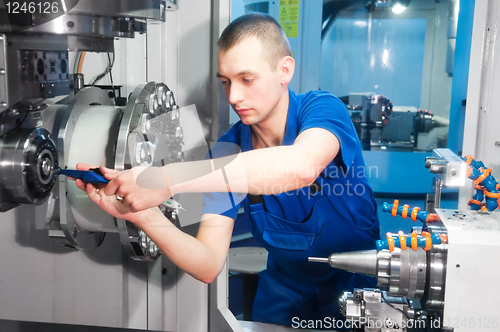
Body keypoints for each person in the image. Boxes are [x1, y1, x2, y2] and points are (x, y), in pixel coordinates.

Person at [76, 13, 380, 327]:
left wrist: (163, 180)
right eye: (226, 82)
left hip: (357, 295)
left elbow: (299, 167)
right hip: (283, 302)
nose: (234, 96)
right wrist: (142, 214)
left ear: (284, 71)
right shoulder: (226, 150)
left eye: (247, 79)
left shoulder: (321, 109)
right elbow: (208, 263)